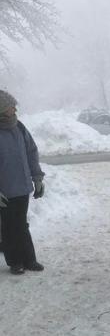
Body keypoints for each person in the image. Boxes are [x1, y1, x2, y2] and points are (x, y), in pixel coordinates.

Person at [0, 90, 45, 275]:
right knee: (9, 226)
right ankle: (15, 262)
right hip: (4, 190)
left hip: (22, 187)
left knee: (21, 223)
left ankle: (29, 259)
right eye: (11, 105)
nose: (15, 108)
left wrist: (37, 178)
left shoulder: (19, 127)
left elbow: (31, 152)